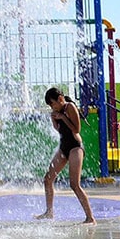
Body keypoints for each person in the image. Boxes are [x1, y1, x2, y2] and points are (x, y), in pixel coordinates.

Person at [35, 87, 95, 224]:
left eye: (53, 104)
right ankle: (49, 212)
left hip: (75, 147)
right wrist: (54, 120)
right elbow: (59, 130)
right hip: (64, 148)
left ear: (60, 99)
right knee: (48, 179)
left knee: (74, 184)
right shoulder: (58, 111)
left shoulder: (69, 107)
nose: (52, 107)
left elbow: (76, 129)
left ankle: (90, 217)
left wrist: (62, 117)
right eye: (50, 106)